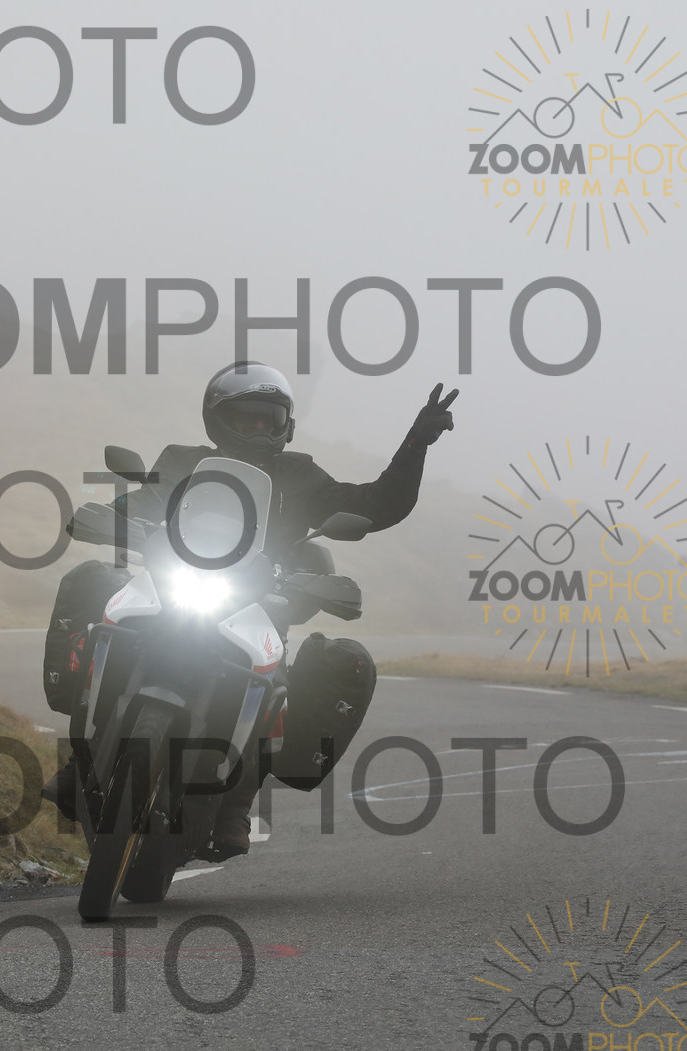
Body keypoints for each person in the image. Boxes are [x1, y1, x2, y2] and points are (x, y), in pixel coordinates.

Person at [42, 360, 458, 858]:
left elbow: (376, 504)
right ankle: (82, 764)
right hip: (175, 586)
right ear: (218, 419)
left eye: (269, 418)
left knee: (272, 688)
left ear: (286, 424)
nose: (259, 428)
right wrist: (113, 518)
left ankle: (235, 804)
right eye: (246, 417)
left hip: (257, 606)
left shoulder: (299, 476)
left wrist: (416, 445)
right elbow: (146, 500)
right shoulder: (182, 462)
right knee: (109, 619)